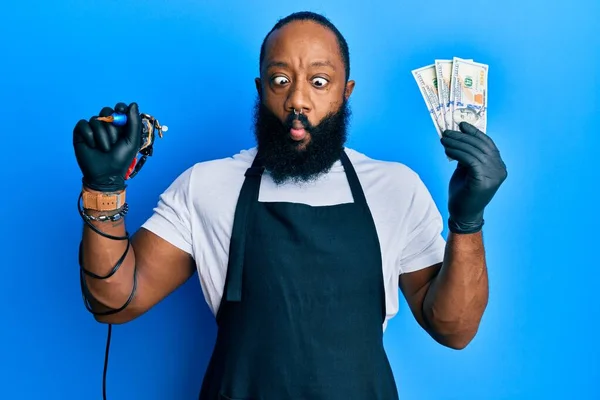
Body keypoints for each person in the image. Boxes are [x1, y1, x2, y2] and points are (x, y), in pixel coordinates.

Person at [73, 11, 507, 400]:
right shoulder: (206, 185)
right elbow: (114, 301)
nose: (298, 99)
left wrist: (467, 222)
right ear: (261, 89)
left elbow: (455, 329)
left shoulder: (395, 188)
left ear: (345, 92)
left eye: (319, 82)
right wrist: (103, 188)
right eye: (281, 81)